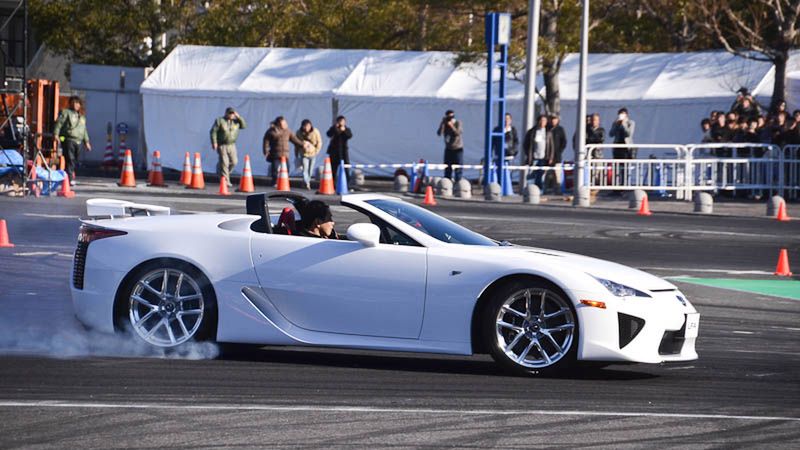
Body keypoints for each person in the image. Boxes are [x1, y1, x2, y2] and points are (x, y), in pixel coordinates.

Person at [53, 96, 91, 185]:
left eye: (77, 103)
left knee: (74, 160)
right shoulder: (66, 112)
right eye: (73, 102)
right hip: (68, 139)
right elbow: (59, 123)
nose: (75, 105)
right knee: (70, 159)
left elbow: (84, 130)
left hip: (79, 141)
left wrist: (87, 142)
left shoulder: (82, 117)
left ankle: (67, 176)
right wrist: (56, 134)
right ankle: (69, 179)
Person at [263, 116, 309, 186]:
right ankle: (274, 182)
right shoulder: (271, 131)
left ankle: (284, 182)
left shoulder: (288, 131)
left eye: (285, 123)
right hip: (275, 153)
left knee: (287, 168)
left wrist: (303, 144)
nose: (285, 124)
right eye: (283, 123)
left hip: (285, 153)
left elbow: (295, 140)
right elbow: (266, 142)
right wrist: (266, 151)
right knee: (275, 169)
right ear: (279, 124)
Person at [210, 107, 246, 187]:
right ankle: (226, 181)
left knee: (234, 162)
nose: (231, 115)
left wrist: (239, 117)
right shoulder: (220, 121)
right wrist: (214, 142)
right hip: (222, 144)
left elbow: (244, 126)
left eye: (233, 113)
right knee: (225, 162)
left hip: (232, 145)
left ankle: (221, 171)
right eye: (230, 113)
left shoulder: (236, 122)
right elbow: (213, 131)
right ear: (226, 113)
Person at [523, 114, 555, 191]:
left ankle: (540, 191)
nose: (542, 122)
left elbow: (551, 146)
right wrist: (528, 155)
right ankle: (530, 190)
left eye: (544, 121)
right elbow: (526, 144)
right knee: (531, 175)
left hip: (543, 158)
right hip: (534, 157)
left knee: (541, 175)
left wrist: (550, 157)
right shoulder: (532, 132)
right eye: (541, 120)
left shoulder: (548, 132)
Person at [295, 119, 323, 190]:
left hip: (312, 154)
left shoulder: (315, 131)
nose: (306, 128)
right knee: (305, 169)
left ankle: (306, 181)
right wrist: (296, 154)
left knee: (310, 170)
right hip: (304, 154)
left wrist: (317, 151)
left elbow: (319, 142)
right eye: (305, 126)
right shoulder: (299, 133)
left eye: (308, 126)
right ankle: (307, 183)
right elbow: (296, 144)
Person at [437, 110, 464, 181]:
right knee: (447, 167)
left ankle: (458, 181)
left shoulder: (458, 123)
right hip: (448, 148)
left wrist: (452, 126)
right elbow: (439, 133)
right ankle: (447, 181)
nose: (450, 119)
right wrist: (442, 123)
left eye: (452, 117)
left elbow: (458, 133)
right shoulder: (445, 124)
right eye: (449, 117)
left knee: (458, 167)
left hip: (458, 148)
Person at [327, 115, 353, 186]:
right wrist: (335, 127)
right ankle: (332, 183)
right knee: (333, 168)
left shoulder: (347, 129)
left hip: (343, 151)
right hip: (334, 151)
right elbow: (328, 134)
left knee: (346, 167)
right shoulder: (334, 128)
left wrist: (344, 130)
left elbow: (349, 136)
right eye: (340, 121)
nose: (341, 123)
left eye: (343, 121)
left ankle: (347, 182)